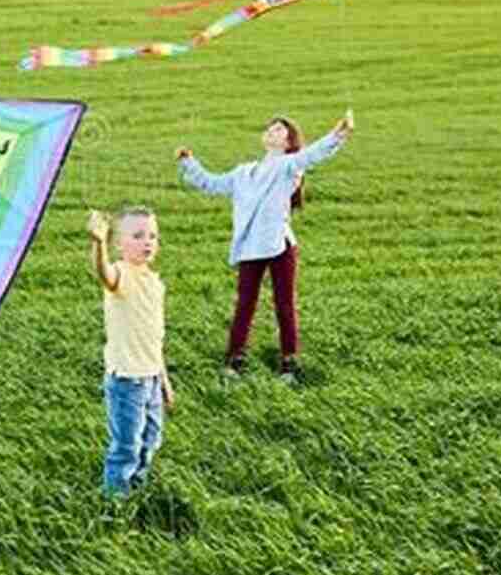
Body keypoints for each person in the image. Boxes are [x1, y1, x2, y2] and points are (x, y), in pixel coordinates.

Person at [176, 110, 354, 383]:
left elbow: (313, 154)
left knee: (284, 304)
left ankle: (289, 363)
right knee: (244, 304)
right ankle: (235, 360)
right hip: (250, 245)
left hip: (279, 245)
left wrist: (338, 134)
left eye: (280, 129)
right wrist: (189, 162)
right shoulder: (242, 173)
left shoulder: (287, 165)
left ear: (288, 142)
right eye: (270, 128)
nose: (272, 130)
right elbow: (211, 183)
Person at [87, 206, 175, 498]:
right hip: (127, 381)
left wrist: (164, 380)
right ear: (119, 244)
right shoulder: (122, 274)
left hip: (150, 378)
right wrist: (98, 243)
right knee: (126, 446)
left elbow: (154, 338)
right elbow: (104, 274)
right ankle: (116, 500)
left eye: (152, 236)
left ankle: (138, 486)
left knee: (151, 438)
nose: (147, 241)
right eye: (137, 236)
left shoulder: (154, 282)